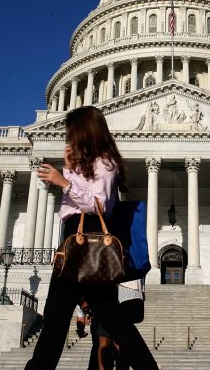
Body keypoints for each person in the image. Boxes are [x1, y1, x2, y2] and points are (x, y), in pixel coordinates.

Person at [25, 106, 157, 370]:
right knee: (59, 318)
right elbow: (77, 201)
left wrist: (63, 182)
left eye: (72, 132)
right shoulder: (87, 163)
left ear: (85, 131)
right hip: (75, 241)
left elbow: (101, 205)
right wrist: (70, 169)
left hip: (91, 244)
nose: (68, 137)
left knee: (103, 317)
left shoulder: (105, 162)